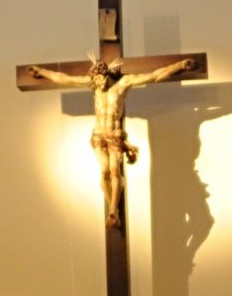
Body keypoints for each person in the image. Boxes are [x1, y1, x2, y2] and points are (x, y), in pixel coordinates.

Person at [30, 53, 195, 228]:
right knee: (104, 171)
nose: (98, 84)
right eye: (95, 80)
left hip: (114, 136)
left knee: (115, 170)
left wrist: (180, 65)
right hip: (98, 135)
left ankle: (113, 210)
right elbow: (64, 78)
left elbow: (154, 76)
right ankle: (113, 210)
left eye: (100, 79)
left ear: (106, 74)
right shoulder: (93, 85)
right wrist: (41, 71)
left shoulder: (122, 84)